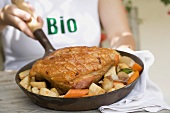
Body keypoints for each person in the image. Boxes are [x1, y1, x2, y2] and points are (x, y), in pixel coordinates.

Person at [0, 0, 135, 70]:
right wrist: (2, 19)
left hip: (89, 72)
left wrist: (124, 53)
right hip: (16, 82)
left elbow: (120, 34)